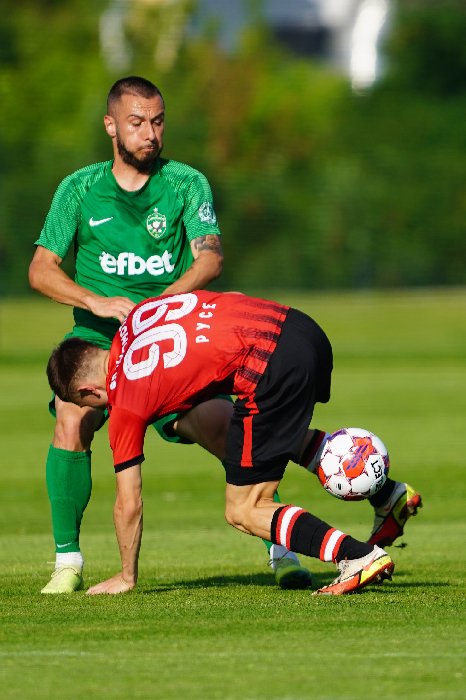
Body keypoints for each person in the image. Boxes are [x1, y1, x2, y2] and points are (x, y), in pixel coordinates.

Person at [29, 76, 312, 594]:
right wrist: (95, 302)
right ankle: (67, 563)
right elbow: (41, 269)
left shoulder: (185, 183)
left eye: (158, 122)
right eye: (137, 122)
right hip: (98, 345)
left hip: (173, 344)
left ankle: (281, 547)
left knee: (228, 431)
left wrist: (158, 307)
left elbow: (210, 258)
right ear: (111, 125)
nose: (150, 133)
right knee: (71, 420)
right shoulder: (79, 188)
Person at [46, 289, 398, 596]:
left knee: (244, 509)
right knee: (271, 437)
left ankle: (357, 556)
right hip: (301, 328)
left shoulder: (124, 402)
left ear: (88, 391)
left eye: (88, 405)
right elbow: (228, 301)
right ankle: (388, 495)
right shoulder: (141, 313)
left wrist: (126, 576)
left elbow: (129, 503)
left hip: (268, 367)